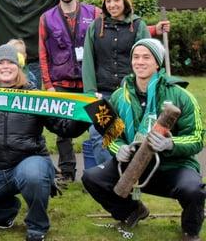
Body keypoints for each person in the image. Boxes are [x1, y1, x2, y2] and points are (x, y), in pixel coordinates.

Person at [0, 44, 89, 241]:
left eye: (11, 62)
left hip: (30, 163)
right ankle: (8, 210)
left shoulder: (35, 97)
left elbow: (64, 128)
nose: (5, 67)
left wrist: (85, 114)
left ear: (18, 67)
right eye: (0, 63)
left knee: (33, 175)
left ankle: (37, 226)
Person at [82, 38, 205, 241]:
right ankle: (132, 211)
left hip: (172, 166)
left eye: (146, 57)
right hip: (133, 167)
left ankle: (190, 232)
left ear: (157, 62)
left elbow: (198, 138)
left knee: (193, 190)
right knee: (92, 178)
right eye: (136, 57)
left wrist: (171, 143)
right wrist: (118, 148)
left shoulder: (181, 96)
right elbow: (111, 135)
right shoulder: (118, 96)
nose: (140, 62)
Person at [38, 0, 101, 182]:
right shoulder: (47, 18)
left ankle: (106, 168)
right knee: (62, 131)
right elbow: (43, 53)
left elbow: (116, 32)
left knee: (102, 123)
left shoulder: (94, 13)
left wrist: (153, 29)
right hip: (61, 82)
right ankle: (66, 172)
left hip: (90, 82)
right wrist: (48, 84)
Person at [82, 0, 152, 164]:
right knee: (100, 135)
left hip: (130, 93)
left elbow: (148, 59)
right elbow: (88, 61)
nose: (112, 4)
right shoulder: (95, 26)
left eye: (117, 0)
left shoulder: (138, 26)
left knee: (128, 135)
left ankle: (129, 179)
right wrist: (90, 92)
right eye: (108, 0)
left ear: (125, 1)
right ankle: (107, 175)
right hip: (102, 95)